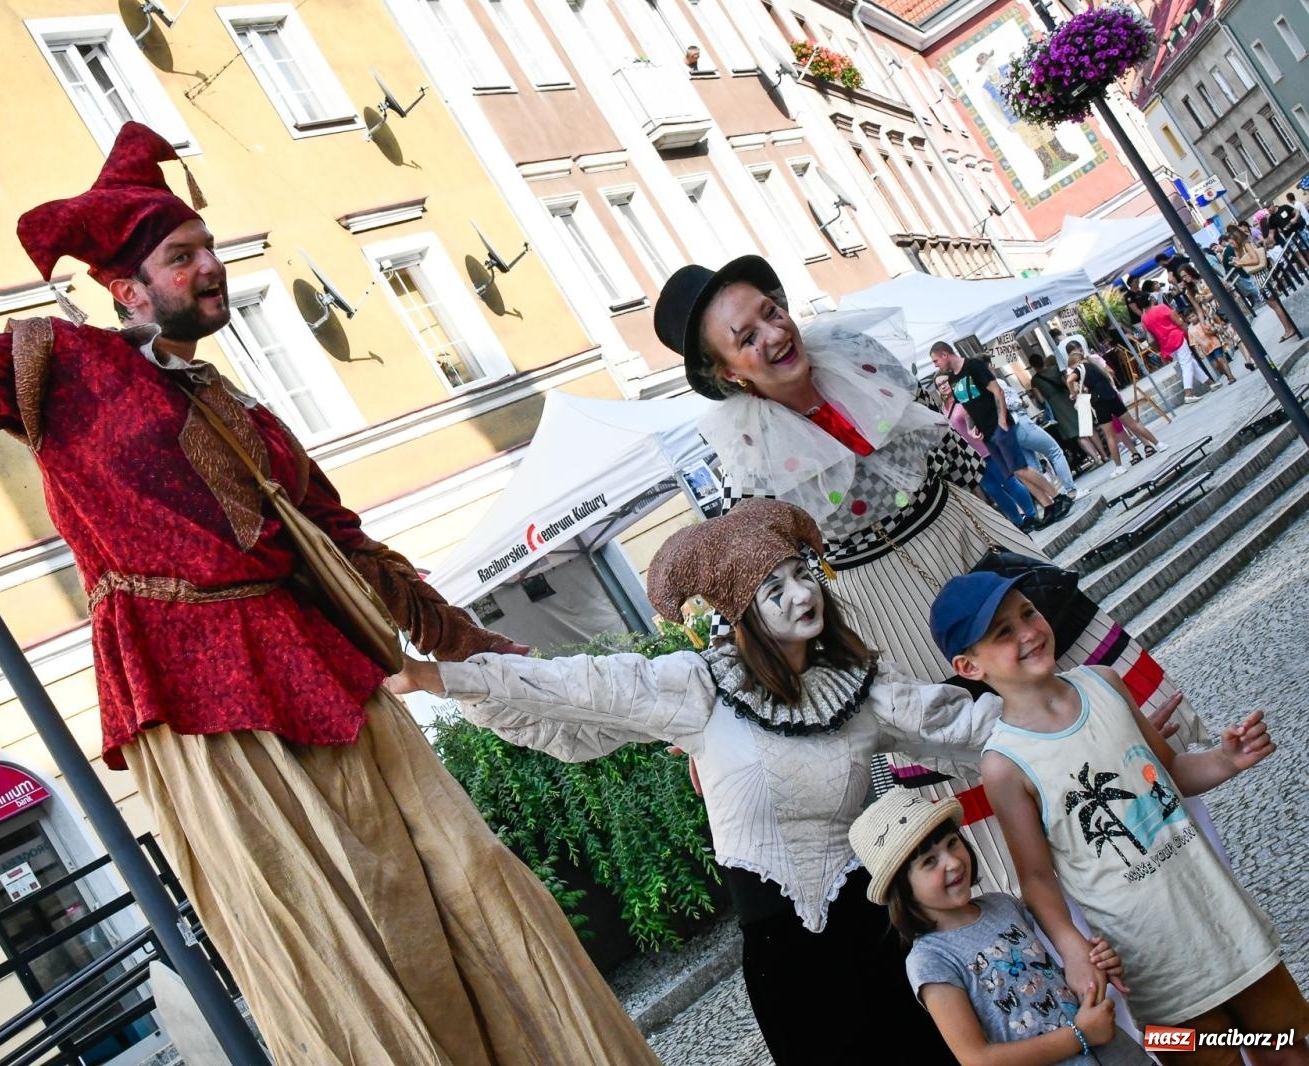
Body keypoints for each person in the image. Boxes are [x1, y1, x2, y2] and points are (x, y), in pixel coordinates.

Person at [0, 122, 656, 1066]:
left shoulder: (249, 417)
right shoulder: (57, 361)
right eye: (182, 254)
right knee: (331, 941)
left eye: (209, 247)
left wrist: (473, 646)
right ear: (126, 289)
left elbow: (354, 553)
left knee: (467, 882)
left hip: (325, 674)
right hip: (193, 695)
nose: (211, 265)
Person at [650, 256, 1210, 899]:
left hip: (966, 550)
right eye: (745, 338)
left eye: (770, 313)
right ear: (729, 372)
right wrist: (722, 706)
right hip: (890, 613)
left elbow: (960, 469)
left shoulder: (861, 361)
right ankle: (1072, 894)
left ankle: (1170, 836)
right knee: (968, 740)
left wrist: (1016, 548)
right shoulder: (747, 462)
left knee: (1069, 683)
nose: (773, 336)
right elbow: (759, 593)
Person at [387, 498, 1003, 1066]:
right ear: (740, 612)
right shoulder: (699, 688)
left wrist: (1066, 707)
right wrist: (447, 678)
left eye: (799, 573)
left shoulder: (861, 686)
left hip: (882, 933)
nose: (799, 594)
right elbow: (587, 685)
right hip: (784, 959)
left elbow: (963, 724)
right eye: (773, 588)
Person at [937, 572, 1309, 1066]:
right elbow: (1035, 877)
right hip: (1154, 975)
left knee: (1285, 1048)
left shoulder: (1105, 682)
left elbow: (1170, 771)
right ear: (969, 665)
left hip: (1229, 928)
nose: (1028, 631)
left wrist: (1224, 760)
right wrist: (1071, 947)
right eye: (1002, 633)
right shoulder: (1003, 764)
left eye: (1028, 613)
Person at [849, 788, 1151, 1065]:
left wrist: (1096, 963)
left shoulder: (1004, 905)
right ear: (903, 890)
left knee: (1185, 1046)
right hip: (1088, 1040)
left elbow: (1061, 974)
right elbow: (977, 1058)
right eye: (930, 861)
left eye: (952, 843)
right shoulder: (930, 959)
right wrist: (1080, 1035)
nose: (952, 862)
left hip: (1120, 1056)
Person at [931, 342, 1065, 521]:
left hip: (999, 425)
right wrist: (971, 427)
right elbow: (967, 406)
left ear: (945, 354)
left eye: (935, 360)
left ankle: (1058, 496)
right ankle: (1047, 505)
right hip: (985, 432)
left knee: (1020, 468)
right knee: (1014, 471)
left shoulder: (973, 365)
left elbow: (997, 391)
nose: (935, 364)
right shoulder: (954, 379)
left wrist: (1002, 420)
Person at [936, 373, 1039, 531]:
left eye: (945, 381)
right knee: (994, 491)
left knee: (1009, 482)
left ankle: (1032, 515)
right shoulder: (944, 409)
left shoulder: (964, 398)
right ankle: (1017, 521)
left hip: (986, 448)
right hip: (970, 457)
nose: (943, 385)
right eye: (939, 384)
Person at [1068, 347, 1165, 478]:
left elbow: (1069, 380)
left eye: (1071, 366)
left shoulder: (1080, 368)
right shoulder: (1093, 365)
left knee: (1110, 436)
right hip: (1112, 395)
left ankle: (1119, 467)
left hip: (1100, 401)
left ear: (1075, 363)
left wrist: (1073, 393)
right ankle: (1159, 443)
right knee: (1132, 424)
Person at [1227, 223, 1300, 344]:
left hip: (1261, 276)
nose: (1231, 244)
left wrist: (1241, 263)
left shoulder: (1246, 244)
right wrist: (1238, 259)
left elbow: (1255, 259)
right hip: (1257, 277)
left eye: (1231, 242)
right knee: (1273, 305)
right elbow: (1244, 259)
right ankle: (1288, 328)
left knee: (1275, 304)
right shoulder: (1241, 247)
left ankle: (1289, 329)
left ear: (1235, 238)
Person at [1141, 293, 1219, 402]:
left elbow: (1149, 336)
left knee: (1190, 362)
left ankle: (1210, 383)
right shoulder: (1161, 307)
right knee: (1186, 364)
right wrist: (1189, 335)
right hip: (1176, 337)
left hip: (1165, 345)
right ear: (1151, 299)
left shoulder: (1143, 318)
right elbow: (1179, 321)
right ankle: (1188, 393)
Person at [1026, 352, 1096, 473]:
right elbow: (1067, 382)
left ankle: (1095, 458)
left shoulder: (1035, 381)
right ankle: (1103, 454)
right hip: (1070, 399)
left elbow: (1041, 399)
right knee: (1087, 427)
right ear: (1043, 360)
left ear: (1032, 366)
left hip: (1057, 408)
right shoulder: (1056, 369)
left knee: (1076, 434)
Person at [1185, 312, 1237, 384]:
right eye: (1189, 318)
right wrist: (1199, 352)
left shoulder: (1203, 321)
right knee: (1216, 365)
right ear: (1187, 320)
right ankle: (1228, 375)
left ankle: (1231, 377)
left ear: (1196, 315)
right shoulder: (1190, 330)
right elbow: (1193, 343)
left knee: (1220, 359)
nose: (1192, 319)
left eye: (1193, 316)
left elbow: (1212, 329)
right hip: (1205, 349)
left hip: (1214, 343)